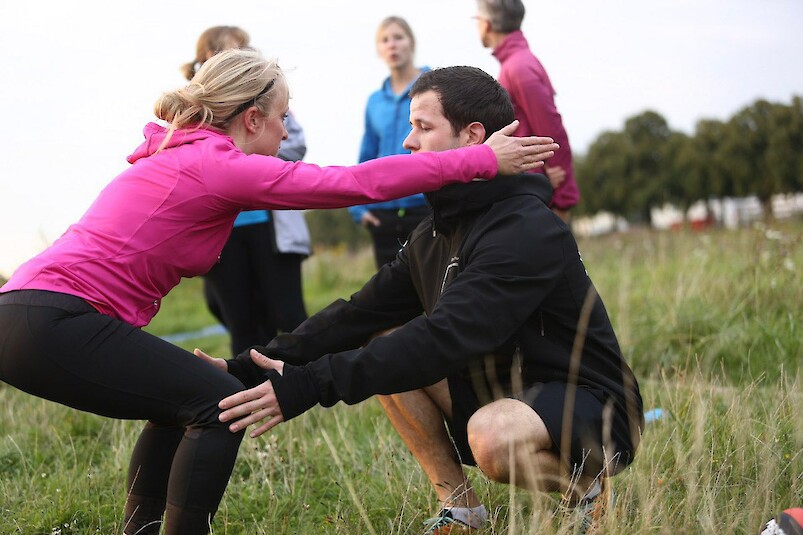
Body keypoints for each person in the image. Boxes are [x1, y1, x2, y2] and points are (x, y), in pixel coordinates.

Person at [0, 50, 557, 535]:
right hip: (55, 319)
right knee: (219, 409)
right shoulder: (214, 165)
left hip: (24, 315)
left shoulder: (180, 156)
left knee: (187, 401)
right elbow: (353, 183)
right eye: (282, 119)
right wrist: (481, 159)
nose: (287, 134)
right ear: (251, 118)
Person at [202, 66, 643, 535]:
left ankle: (588, 492)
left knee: (490, 436)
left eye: (423, 127)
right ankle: (462, 511)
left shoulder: (524, 228)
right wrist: (247, 366)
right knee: (383, 336)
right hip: (499, 389)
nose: (408, 142)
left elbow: (444, 338)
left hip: (590, 406)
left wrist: (310, 385)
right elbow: (357, 314)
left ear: (473, 137)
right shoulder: (435, 231)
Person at [183, 26, 312, 355]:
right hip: (221, 231)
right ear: (207, 59)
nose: (245, 55)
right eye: (232, 51)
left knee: (287, 313)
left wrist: (244, 157)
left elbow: (295, 142)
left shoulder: (268, 93)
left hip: (267, 225)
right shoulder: (189, 106)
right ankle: (248, 394)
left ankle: (310, 382)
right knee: (240, 322)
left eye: (246, 48)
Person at [475, 0, 580, 222]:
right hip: (532, 191)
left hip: (540, 199)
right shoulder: (515, 64)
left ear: (486, 25)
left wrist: (563, 200)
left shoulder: (519, 67)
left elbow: (551, 130)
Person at [349, 16, 433, 269]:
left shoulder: (435, 88)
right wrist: (359, 210)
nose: (392, 45)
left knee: (433, 294)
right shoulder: (374, 102)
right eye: (385, 40)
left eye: (398, 37)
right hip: (383, 214)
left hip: (425, 206)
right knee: (390, 299)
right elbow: (367, 156)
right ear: (378, 49)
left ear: (411, 43)